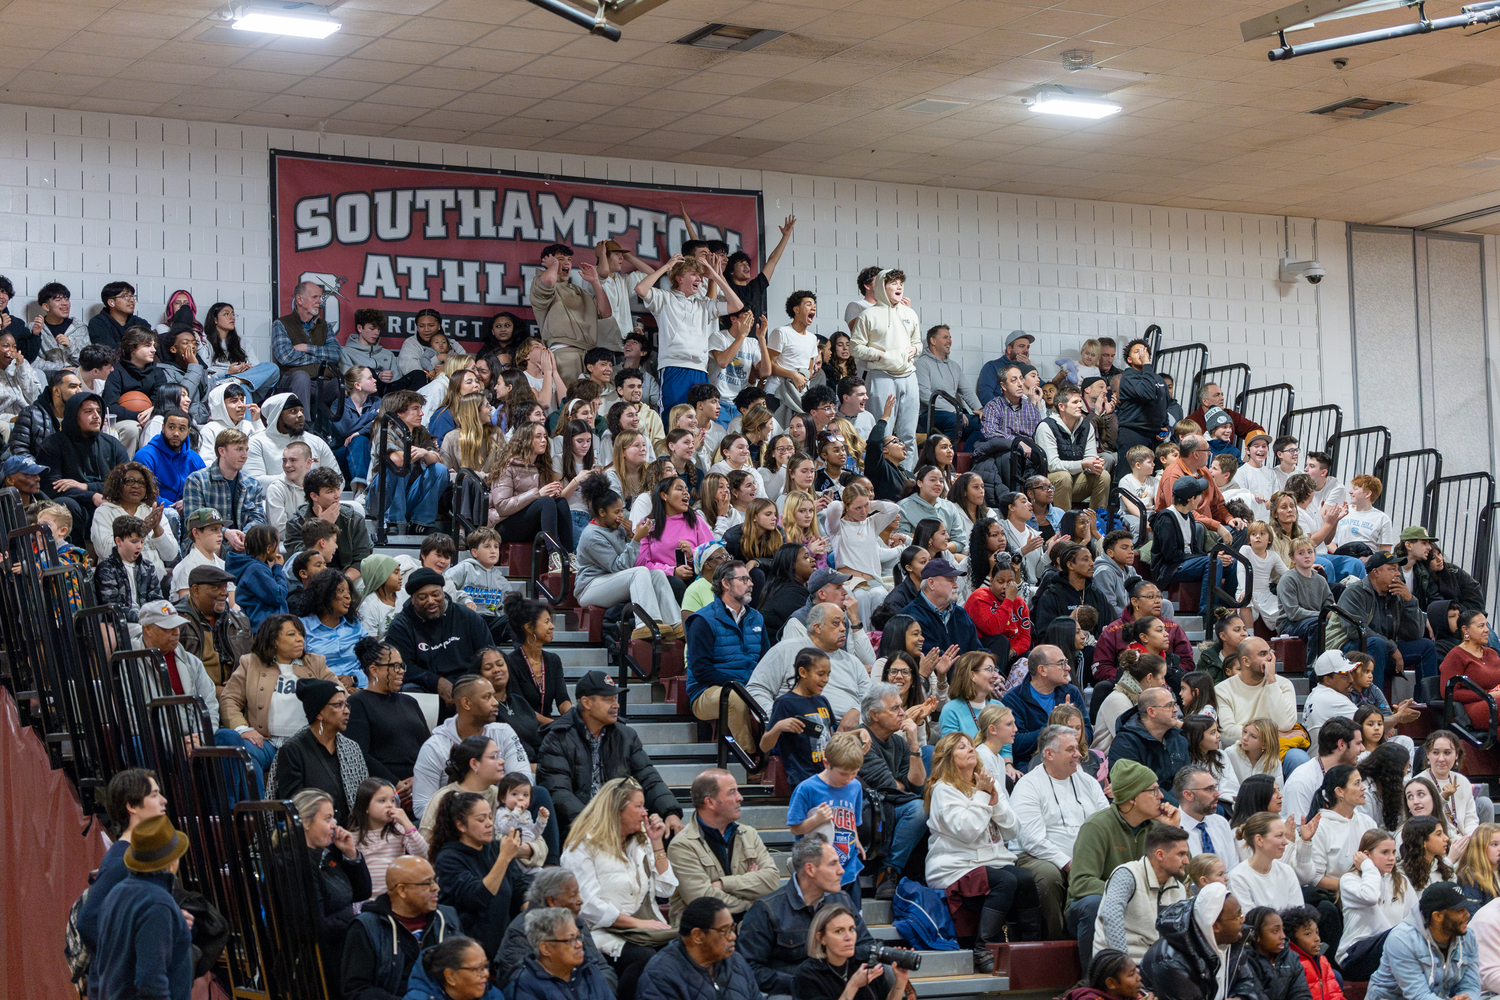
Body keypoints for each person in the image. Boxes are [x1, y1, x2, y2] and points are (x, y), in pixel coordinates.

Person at [559, 775, 678, 1000]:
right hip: (600, 932)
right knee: (644, 957)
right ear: (617, 809)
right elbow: (588, 906)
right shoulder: (582, 846)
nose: (646, 812)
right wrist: (639, 924)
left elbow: (666, 890)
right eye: (639, 806)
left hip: (642, 930)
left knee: (681, 951)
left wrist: (657, 843)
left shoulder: (639, 842)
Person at [537, 670, 684, 838]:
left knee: (668, 831)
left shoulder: (626, 736)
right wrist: (597, 825)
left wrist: (670, 811)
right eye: (607, 699)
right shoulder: (558, 738)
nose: (616, 705)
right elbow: (559, 793)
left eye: (615, 699)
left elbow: (648, 778)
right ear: (586, 703)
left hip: (621, 823)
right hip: (579, 828)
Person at [1067, 759, 1183, 970]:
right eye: (1154, 790)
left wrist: (1173, 832)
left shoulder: (1158, 827)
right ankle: (1093, 982)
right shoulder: (1097, 826)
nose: (1162, 796)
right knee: (1093, 904)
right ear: (1132, 798)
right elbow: (1080, 883)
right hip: (1090, 906)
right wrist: (1129, 893)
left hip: (1145, 905)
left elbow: (1186, 876)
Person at [738, 835, 877, 1000]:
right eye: (833, 864)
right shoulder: (767, 909)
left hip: (839, 986)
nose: (841, 870)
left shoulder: (842, 900)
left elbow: (866, 945)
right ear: (810, 869)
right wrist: (802, 983)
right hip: (794, 993)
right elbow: (748, 967)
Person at [1011, 724, 1112, 938]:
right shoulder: (1028, 785)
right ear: (1049, 754)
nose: (1078, 754)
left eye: (1077, 748)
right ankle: (1055, 941)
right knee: (1048, 875)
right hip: (1035, 856)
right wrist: (1069, 864)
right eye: (1070, 750)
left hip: (1085, 857)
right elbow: (1033, 841)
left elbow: (1107, 822)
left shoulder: (1088, 782)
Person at [90, 815, 194, 1000]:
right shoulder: (157, 904)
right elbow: (151, 983)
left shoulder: (116, 893)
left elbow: (99, 967)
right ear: (171, 863)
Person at [576, 474, 686, 637]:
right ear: (601, 512)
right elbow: (619, 567)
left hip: (612, 581)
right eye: (616, 512)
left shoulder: (616, 528)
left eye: (621, 510)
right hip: (590, 587)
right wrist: (636, 539)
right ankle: (646, 624)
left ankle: (675, 622)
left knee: (656, 574)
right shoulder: (591, 536)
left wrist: (629, 536)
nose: (621, 516)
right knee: (640, 572)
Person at [76, 769, 170, 958]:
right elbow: (87, 921)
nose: (163, 800)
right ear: (132, 807)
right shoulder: (122, 862)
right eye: (154, 795)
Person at [342, 854, 463, 1000]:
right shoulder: (366, 927)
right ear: (402, 890)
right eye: (427, 883)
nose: (436, 888)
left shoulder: (447, 917)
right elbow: (356, 990)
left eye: (435, 880)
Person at [666, 769, 780, 924]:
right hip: (704, 935)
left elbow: (772, 880)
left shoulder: (749, 834)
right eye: (732, 792)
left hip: (749, 929)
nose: (740, 797)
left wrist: (723, 884)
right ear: (710, 802)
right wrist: (751, 901)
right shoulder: (682, 845)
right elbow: (702, 900)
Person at [266, 678, 379, 824]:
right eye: (338, 705)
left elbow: (363, 800)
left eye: (346, 705)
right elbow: (294, 808)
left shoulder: (351, 748)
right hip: (310, 837)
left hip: (350, 833)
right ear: (319, 713)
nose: (347, 711)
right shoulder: (292, 751)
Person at [429, 789, 526, 958]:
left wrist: (530, 906)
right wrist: (504, 858)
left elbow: (519, 885)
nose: (489, 823)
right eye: (481, 819)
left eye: (490, 817)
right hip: (468, 951)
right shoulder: (448, 858)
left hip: (504, 949)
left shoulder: (496, 848)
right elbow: (478, 897)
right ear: (461, 825)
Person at [686, 559, 769, 755]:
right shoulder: (703, 620)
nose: (751, 584)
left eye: (749, 579)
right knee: (734, 697)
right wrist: (741, 686)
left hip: (749, 686)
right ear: (725, 583)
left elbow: (767, 661)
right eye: (744, 579)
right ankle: (750, 759)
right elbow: (701, 671)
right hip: (706, 692)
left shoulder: (756, 617)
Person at [857, 683, 929, 900]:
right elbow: (889, 786)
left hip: (892, 804)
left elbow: (917, 785)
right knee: (919, 809)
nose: (902, 713)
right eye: (894, 708)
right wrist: (901, 784)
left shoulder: (899, 742)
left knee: (924, 799)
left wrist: (914, 745)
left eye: (901, 707)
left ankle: (894, 870)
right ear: (874, 715)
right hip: (870, 809)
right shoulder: (862, 740)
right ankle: (889, 869)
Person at [1327, 552, 1438, 690]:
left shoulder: (1396, 596)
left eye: (1397, 569)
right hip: (1347, 650)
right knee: (1378, 643)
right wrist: (1392, 647)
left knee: (1426, 646)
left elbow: (1415, 634)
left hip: (1383, 650)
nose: (1398, 574)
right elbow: (1356, 631)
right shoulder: (1355, 592)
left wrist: (1410, 601)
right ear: (1376, 572)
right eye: (1392, 569)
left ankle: (1425, 702)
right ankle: (1375, 702)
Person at [850, 268, 922, 463]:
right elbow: (855, 347)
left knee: (908, 434)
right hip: (881, 376)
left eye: (901, 283)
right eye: (893, 283)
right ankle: (882, 477)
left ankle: (907, 478)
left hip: (909, 376)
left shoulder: (910, 313)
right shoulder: (868, 315)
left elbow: (918, 343)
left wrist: (915, 350)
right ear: (882, 287)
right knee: (884, 433)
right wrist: (879, 354)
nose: (899, 286)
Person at [387, 569, 494, 699]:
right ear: (413, 600)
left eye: (435, 594)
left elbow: (488, 653)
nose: (431, 601)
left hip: (467, 683)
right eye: (422, 597)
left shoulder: (467, 617)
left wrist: (465, 686)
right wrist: (436, 682)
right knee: (409, 691)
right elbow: (403, 667)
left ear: (443, 593)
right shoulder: (401, 626)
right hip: (425, 686)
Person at [1095, 823, 1191, 963]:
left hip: (1157, 967)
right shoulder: (1127, 874)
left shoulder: (1179, 889)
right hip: (1120, 964)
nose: (1187, 861)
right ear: (1160, 855)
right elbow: (1111, 918)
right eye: (1181, 854)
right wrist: (1124, 964)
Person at [1367, 882, 1478, 1000]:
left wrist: (1468, 997)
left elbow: (1471, 985)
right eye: (1460, 910)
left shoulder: (1467, 936)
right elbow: (1418, 995)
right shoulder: (1402, 939)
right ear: (1437, 916)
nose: (1467, 914)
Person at [346, 639, 430, 789]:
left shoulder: (410, 701)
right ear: (374, 670)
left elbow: (427, 746)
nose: (402, 671)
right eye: (395, 666)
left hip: (419, 782)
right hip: (382, 787)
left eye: (402, 666)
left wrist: (419, 778)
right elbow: (358, 754)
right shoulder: (358, 702)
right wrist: (395, 783)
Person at [1140, 885, 1247, 1000]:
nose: (1243, 919)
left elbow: (1249, 983)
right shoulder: (1171, 961)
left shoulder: (1232, 941)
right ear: (1215, 926)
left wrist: (1240, 997)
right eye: (1238, 916)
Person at [791, 904, 912, 1000]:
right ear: (821, 938)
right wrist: (853, 985)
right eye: (839, 931)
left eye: (852, 929)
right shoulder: (807, 975)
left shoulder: (866, 961)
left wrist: (900, 982)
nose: (848, 937)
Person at [1338, 829, 1415, 980]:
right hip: (1356, 954)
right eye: (1385, 852)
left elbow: (1414, 918)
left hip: (1393, 949)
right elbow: (1371, 896)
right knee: (1396, 937)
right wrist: (1368, 867)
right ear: (1366, 855)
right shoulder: (1349, 880)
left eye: (1393, 852)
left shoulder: (1401, 881)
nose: (1392, 858)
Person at [180, 428, 267, 556]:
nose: (245, 455)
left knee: (269, 545)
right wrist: (225, 533)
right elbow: (193, 520)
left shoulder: (253, 484)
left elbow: (258, 518)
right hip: (204, 539)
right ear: (222, 451)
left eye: (246, 450)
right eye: (239, 449)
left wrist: (244, 535)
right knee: (213, 543)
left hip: (242, 541)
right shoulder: (197, 480)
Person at [1216, 637, 1302, 758]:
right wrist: (1276, 735)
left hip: (1275, 750)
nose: (1269, 658)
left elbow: (1286, 724)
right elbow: (1228, 734)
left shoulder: (1283, 684)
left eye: (1270, 652)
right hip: (1239, 751)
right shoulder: (1222, 690)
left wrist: (1271, 681)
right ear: (1246, 661)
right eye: (1263, 654)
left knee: (1297, 757)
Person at [270, 280, 344, 418]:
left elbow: (336, 354)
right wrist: (322, 356)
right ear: (299, 299)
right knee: (302, 377)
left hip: (322, 382)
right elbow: (286, 357)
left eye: (320, 297)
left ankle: (337, 434)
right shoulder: (281, 324)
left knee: (340, 383)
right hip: (294, 381)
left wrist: (306, 348)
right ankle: (304, 427)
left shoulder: (324, 326)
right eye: (315, 297)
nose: (319, 301)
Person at [501, 592, 572, 733]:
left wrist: (572, 719)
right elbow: (521, 708)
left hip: (549, 730)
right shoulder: (510, 662)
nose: (552, 626)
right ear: (528, 628)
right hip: (523, 730)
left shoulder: (553, 660)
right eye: (546, 622)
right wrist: (554, 724)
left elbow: (563, 699)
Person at [1002, 644, 1089, 759]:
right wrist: (1053, 725)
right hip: (1032, 763)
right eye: (1061, 663)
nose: (1068, 667)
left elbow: (1088, 733)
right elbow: (1015, 743)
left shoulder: (1071, 692)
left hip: (1072, 757)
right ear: (1042, 670)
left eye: (1066, 662)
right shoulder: (1013, 699)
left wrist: (1075, 726)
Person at [510, 906, 616, 1000]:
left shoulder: (590, 969)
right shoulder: (525, 986)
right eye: (570, 940)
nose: (579, 944)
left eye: (578, 937)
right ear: (545, 949)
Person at [1109, 687, 1192, 805]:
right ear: (1151, 712)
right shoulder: (1125, 743)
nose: (1175, 710)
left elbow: (1187, 780)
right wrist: (1181, 807)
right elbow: (1134, 787)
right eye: (1169, 705)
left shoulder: (1179, 740)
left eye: (1175, 704)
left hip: (1179, 804)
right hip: (1143, 810)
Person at [1281, 717, 1362, 822]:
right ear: (1341, 744)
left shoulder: (1351, 775)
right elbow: (1299, 832)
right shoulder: (1301, 781)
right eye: (1358, 743)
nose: (1363, 749)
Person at [1234, 907, 1313, 1000]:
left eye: (1282, 930)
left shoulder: (1292, 958)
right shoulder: (1244, 961)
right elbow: (1256, 996)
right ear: (1255, 936)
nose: (1283, 936)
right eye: (1275, 931)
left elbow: (1302, 995)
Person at [1440, 609, 1500, 732]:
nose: (1487, 630)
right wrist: (1487, 695)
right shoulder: (1456, 655)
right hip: (1475, 708)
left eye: (1487, 625)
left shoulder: (1491, 653)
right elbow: (1449, 692)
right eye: (1481, 626)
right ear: (1465, 630)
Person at [403, 935, 505, 1000]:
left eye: (485, 966)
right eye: (477, 969)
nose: (486, 974)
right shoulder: (417, 998)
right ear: (450, 976)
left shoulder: (493, 995)